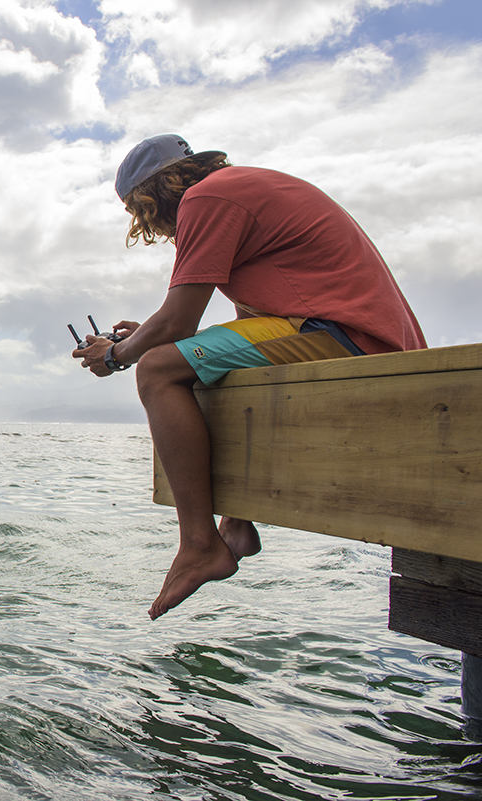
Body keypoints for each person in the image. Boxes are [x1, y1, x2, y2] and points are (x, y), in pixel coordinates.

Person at [74, 134, 426, 620]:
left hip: (346, 334)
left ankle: (200, 545)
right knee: (199, 367)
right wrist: (157, 340)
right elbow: (235, 332)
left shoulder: (207, 200)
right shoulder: (239, 189)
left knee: (158, 371)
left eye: (142, 212)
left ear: (151, 196)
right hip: (347, 329)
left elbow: (178, 321)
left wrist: (119, 355)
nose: (152, 225)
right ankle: (236, 523)